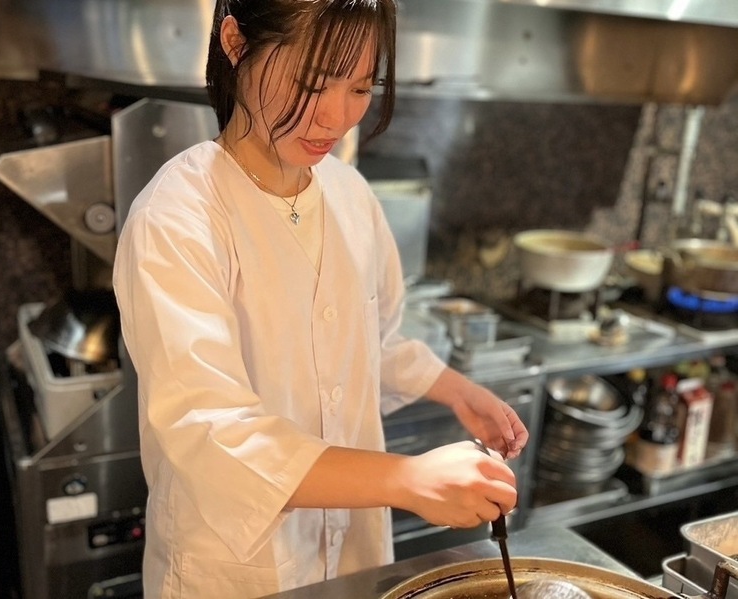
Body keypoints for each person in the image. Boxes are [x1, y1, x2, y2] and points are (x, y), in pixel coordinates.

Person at [112, 1, 529, 597]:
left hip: (353, 559)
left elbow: (372, 341)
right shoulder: (177, 216)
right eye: (312, 84)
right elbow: (212, 434)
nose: (337, 118)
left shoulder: (350, 193)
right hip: (237, 570)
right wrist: (406, 479)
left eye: (360, 88)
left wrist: (457, 391)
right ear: (235, 42)